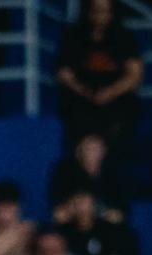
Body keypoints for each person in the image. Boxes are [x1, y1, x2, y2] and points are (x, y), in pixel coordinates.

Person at [55, 0, 142, 150]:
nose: (100, 16)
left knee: (126, 114)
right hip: (83, 98)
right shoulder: (73, 36)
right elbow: (63, 73)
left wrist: (109, 93)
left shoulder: (124, 38)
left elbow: (134, 75)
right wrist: (85, 91)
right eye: (96, 10)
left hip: (115, 98)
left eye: (105, 11)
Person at [57, 183, 135, 255]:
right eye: (76, 199)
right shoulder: (63, 233)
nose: (80, 205)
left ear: (93, 201)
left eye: (84, 198)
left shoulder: (108, 230)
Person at [49, 132, 129, 222]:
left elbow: (120, 216)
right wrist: (76, 206)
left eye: (98, 147)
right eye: (88, 147)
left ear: (105, 150)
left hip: (104, 229)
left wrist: (95, 208)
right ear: (78, 151)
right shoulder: (65, 174)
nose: (93, 152)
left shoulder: (114, 176)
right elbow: (58, 215)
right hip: (72, 229)